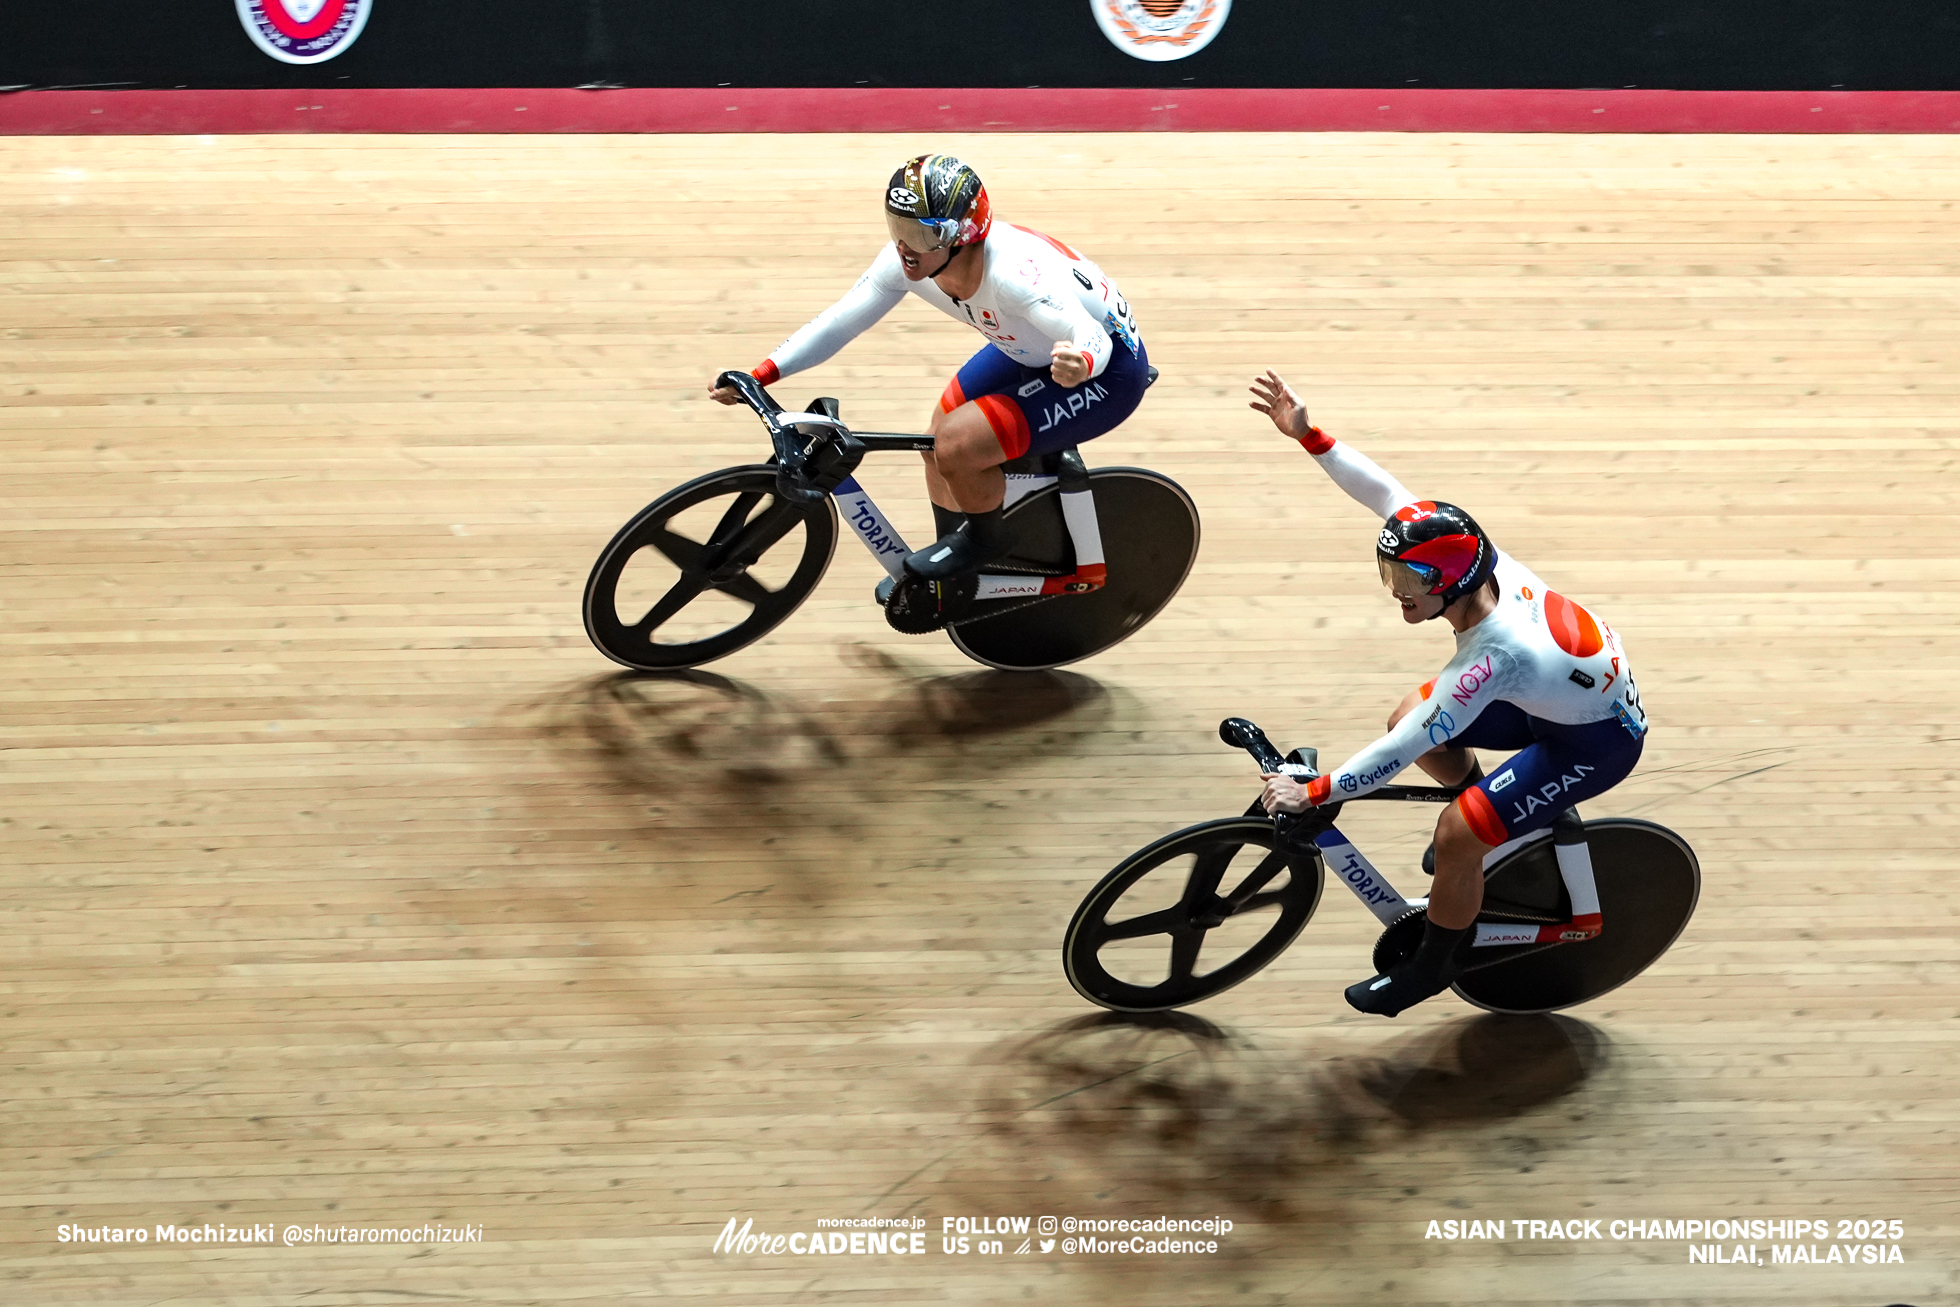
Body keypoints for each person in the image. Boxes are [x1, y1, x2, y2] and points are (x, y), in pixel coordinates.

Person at [1247, 370, 1650, 1018]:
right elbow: (1387, 493)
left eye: (1407, 579)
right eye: (1391, 571)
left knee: (1457, 833)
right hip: (1562, 701)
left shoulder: (1495, 657)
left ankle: (1431, 966)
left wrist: (1316, 791)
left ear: (1449, 583)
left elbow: (1405, 748)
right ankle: (1502, 818)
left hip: (1596, 742)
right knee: (1410, 708)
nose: (1394, 589)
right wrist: (1309, 435)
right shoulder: (1476, 560)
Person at [710, 154, 1149, 586]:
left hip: (1105, 372)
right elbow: (839, 322)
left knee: (956, 444)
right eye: (898, 228)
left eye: (920, 234)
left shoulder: (1014, 277)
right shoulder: (909, 260)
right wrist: (764, 372)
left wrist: (1083, 362)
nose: (904, 247)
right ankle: (953, 559)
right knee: (936, 436)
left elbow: (1089, 334)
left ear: (961, 236)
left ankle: (986, 540)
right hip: (1028, 349)